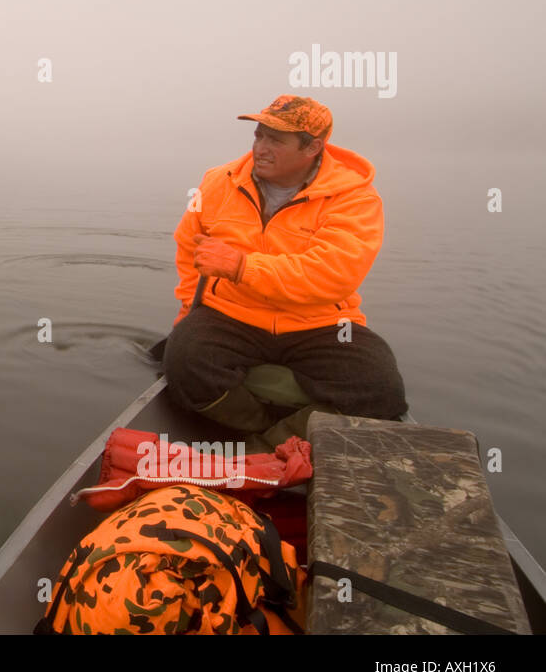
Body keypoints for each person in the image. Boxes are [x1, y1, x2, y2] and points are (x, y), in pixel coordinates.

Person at [163, 95, 408, 442]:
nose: (261, 147)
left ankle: (275, 444)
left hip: (318, 321)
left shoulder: (356, 198)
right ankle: (254, 426)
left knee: (380, 389)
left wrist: (241, 266)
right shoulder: (217, 182)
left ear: (313, 148)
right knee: (185, 362)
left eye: (276, 140)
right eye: (259, 135)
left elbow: (332, 275)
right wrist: (189, 310)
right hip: (233, 313)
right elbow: (190, 250)